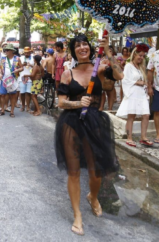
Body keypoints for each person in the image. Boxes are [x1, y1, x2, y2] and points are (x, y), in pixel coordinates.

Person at [55, 33, 123, 236]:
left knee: (95, 170)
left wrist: (109, 50)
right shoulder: (68, 73)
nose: (82, 47)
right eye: (78, 45)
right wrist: (77, 103)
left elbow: (119, 75)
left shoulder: (100, 68)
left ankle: (93, 197)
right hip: (71, 123)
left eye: (85, 44)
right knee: (74, 171)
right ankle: (77, 215)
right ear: (73, 50)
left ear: (91, 48)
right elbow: (61, 103)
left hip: (95, 122)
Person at [116, 45, 153, 147]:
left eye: (143, 56)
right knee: (131, 116)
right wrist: (138, 82)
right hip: (133, 92)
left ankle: (143, 137)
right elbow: (125, 80)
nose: (141, 58)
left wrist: (145, 84)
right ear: (134, 54)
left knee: (146, 114)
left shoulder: (141, 67)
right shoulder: (129, 66)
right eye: (140, 55)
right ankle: (129, 138)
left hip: (141, 94)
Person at [0, 44, 23, 117]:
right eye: (5, 50)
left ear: (12, 51)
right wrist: (0, 73)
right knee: (2, 95)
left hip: (12, 79)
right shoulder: (3, 58)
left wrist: (17, 70)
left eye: (7, 50)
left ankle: (12, 111)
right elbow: (0, 67)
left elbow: (22, 68)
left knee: (13, 95)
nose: (6, 51)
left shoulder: (17, 58)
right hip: (4, 79)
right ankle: (2, 110)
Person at [19, 46, 34, 112]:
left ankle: (28, 106)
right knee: (22, 92)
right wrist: (22, 65)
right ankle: (23, 106)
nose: (26, 54)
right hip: (22, 77)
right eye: (25, 53)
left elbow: (36, 66)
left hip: (30, 77)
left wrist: (31, 65)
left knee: (28, 92)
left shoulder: (33, 58)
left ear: (30, 52)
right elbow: (18, 67)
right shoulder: (21, 58)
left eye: (28, 53)